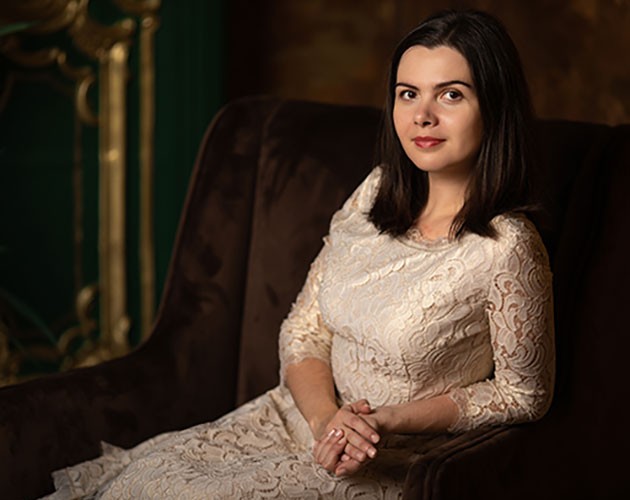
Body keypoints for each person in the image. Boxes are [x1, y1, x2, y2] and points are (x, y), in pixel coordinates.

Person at [45, 9, 554, 499]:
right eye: (407, 93)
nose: (422, 115)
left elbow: (523, 394)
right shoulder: (375, 192)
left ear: (494, 105)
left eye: (450, 94)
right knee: (146, 479)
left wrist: (383, 421)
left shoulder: (507, 246)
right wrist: (326, 420)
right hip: (299, 418)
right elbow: (304, 329)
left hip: (388, 457)